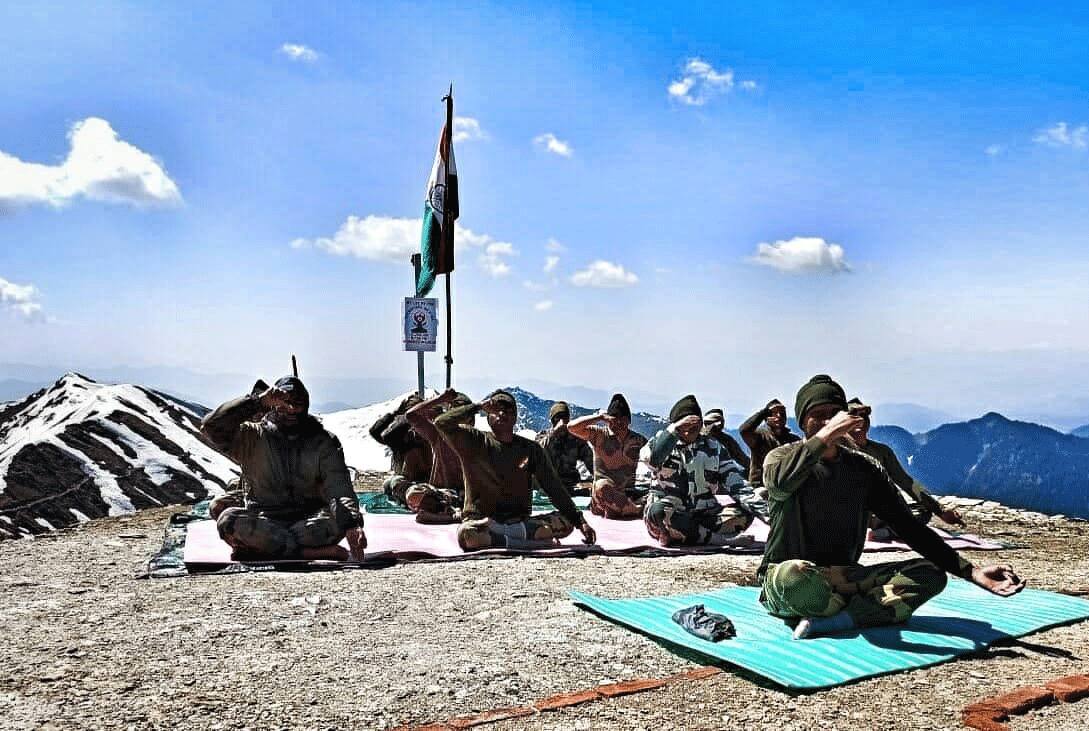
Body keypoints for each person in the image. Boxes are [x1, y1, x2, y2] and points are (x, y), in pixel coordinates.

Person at [760, 375, 1024, 639]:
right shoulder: (781, 458)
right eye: (817, 415)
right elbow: (781, 484)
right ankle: (860, 608)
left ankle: (839, 616)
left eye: (834, 413)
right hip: (786, 575)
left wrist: (973, 572)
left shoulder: (863, 469)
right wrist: (826, 434)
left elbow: (909, 527)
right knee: (793, 577)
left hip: (844, 578)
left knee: (931, 574)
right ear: (803, 421)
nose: (828, 421)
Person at [200, 376, 366, 561]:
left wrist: (352, 524)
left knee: (340, 521)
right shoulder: (252, 437)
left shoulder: (323, 442)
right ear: (272, 405)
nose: (292, 409)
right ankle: (308, 552)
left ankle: (264, 549)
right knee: (228, 521)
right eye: (285, 403)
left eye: (298, 404)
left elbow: (338, 487)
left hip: (309, 522)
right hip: (265, 521)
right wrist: (256, 401)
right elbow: (211, 426)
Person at [434, 389, 597, 551]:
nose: (502, 414)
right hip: (483, 522)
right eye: (496, 410)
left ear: (515, 418)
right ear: (488, 417)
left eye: (508, 410)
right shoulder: (474, 440)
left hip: (520, 522)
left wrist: (579, 520)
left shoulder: (531, 449)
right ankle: (526, 542)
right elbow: (441, 423)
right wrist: (477, 406)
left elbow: (553, 487)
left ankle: (505, 537)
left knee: (566, 523)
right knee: (466, 535)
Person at [640, 395, 757, 547]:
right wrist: (674, 431)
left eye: (693, 429)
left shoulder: (714, 448)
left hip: (705, 514)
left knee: (746, 510)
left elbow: (737, 485)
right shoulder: (659, 442)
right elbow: (653, 460)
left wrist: (767, 514)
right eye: (684, 429)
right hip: (670, 513)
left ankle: (694, 534)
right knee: (659, 512)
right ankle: (719, 540)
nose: (688, 433)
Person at [847, 397, 964, 538]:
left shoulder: (883, 452)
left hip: (879, 512)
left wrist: (940, 510)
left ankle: (885, 531)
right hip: (850, 511)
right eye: (854, 416)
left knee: (924, 512)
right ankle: (886, 531)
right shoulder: (837, 449)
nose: (860, 421)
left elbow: (908, 483)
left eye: (864, 416)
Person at [568, 394, 648, 519]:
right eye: (614, 419)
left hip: (628, 495)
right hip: (604, 496)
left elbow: (654, 457)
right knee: (602, 487)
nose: (618, 423)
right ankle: (636, 510)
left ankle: (628, 508)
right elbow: (572, 427)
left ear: (628, 421)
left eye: (622, 419)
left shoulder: (637, 440)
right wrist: (599, 417)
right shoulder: (599, 434)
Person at [401, 389, 474, 523]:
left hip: (469, 496)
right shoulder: (439, 436)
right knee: (414, 494)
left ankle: (450, 515)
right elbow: (411, 415)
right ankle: (453, 514)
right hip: (441, 494)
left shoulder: (479, 440)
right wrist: (441, 399)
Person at [370, 394, 432, 507]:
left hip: (423, 481)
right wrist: (396, 413)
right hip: (407, 480)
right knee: (389, 484)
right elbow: (375, 432)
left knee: (396, 483)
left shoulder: (424, 432)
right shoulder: (402, 436)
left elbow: (387, 436)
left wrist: (409, 416)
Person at [536, 401, 595, 496]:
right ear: (552, 420)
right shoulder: (543, 436)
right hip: (549, 483)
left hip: (572, 483)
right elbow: (538, 450)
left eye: (564, 417)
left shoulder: (576, 439)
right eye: (558, 417)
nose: (562, 421)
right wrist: (555, 433)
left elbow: (591, 463)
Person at [739, 398, 801, 489]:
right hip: (761, 487)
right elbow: (744, 431)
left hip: (786, 488)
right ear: (766, 417)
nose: (779, 416)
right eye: (774, 413)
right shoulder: (759, 436)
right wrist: (764, 412)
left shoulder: (794, 440)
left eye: (782, 413)